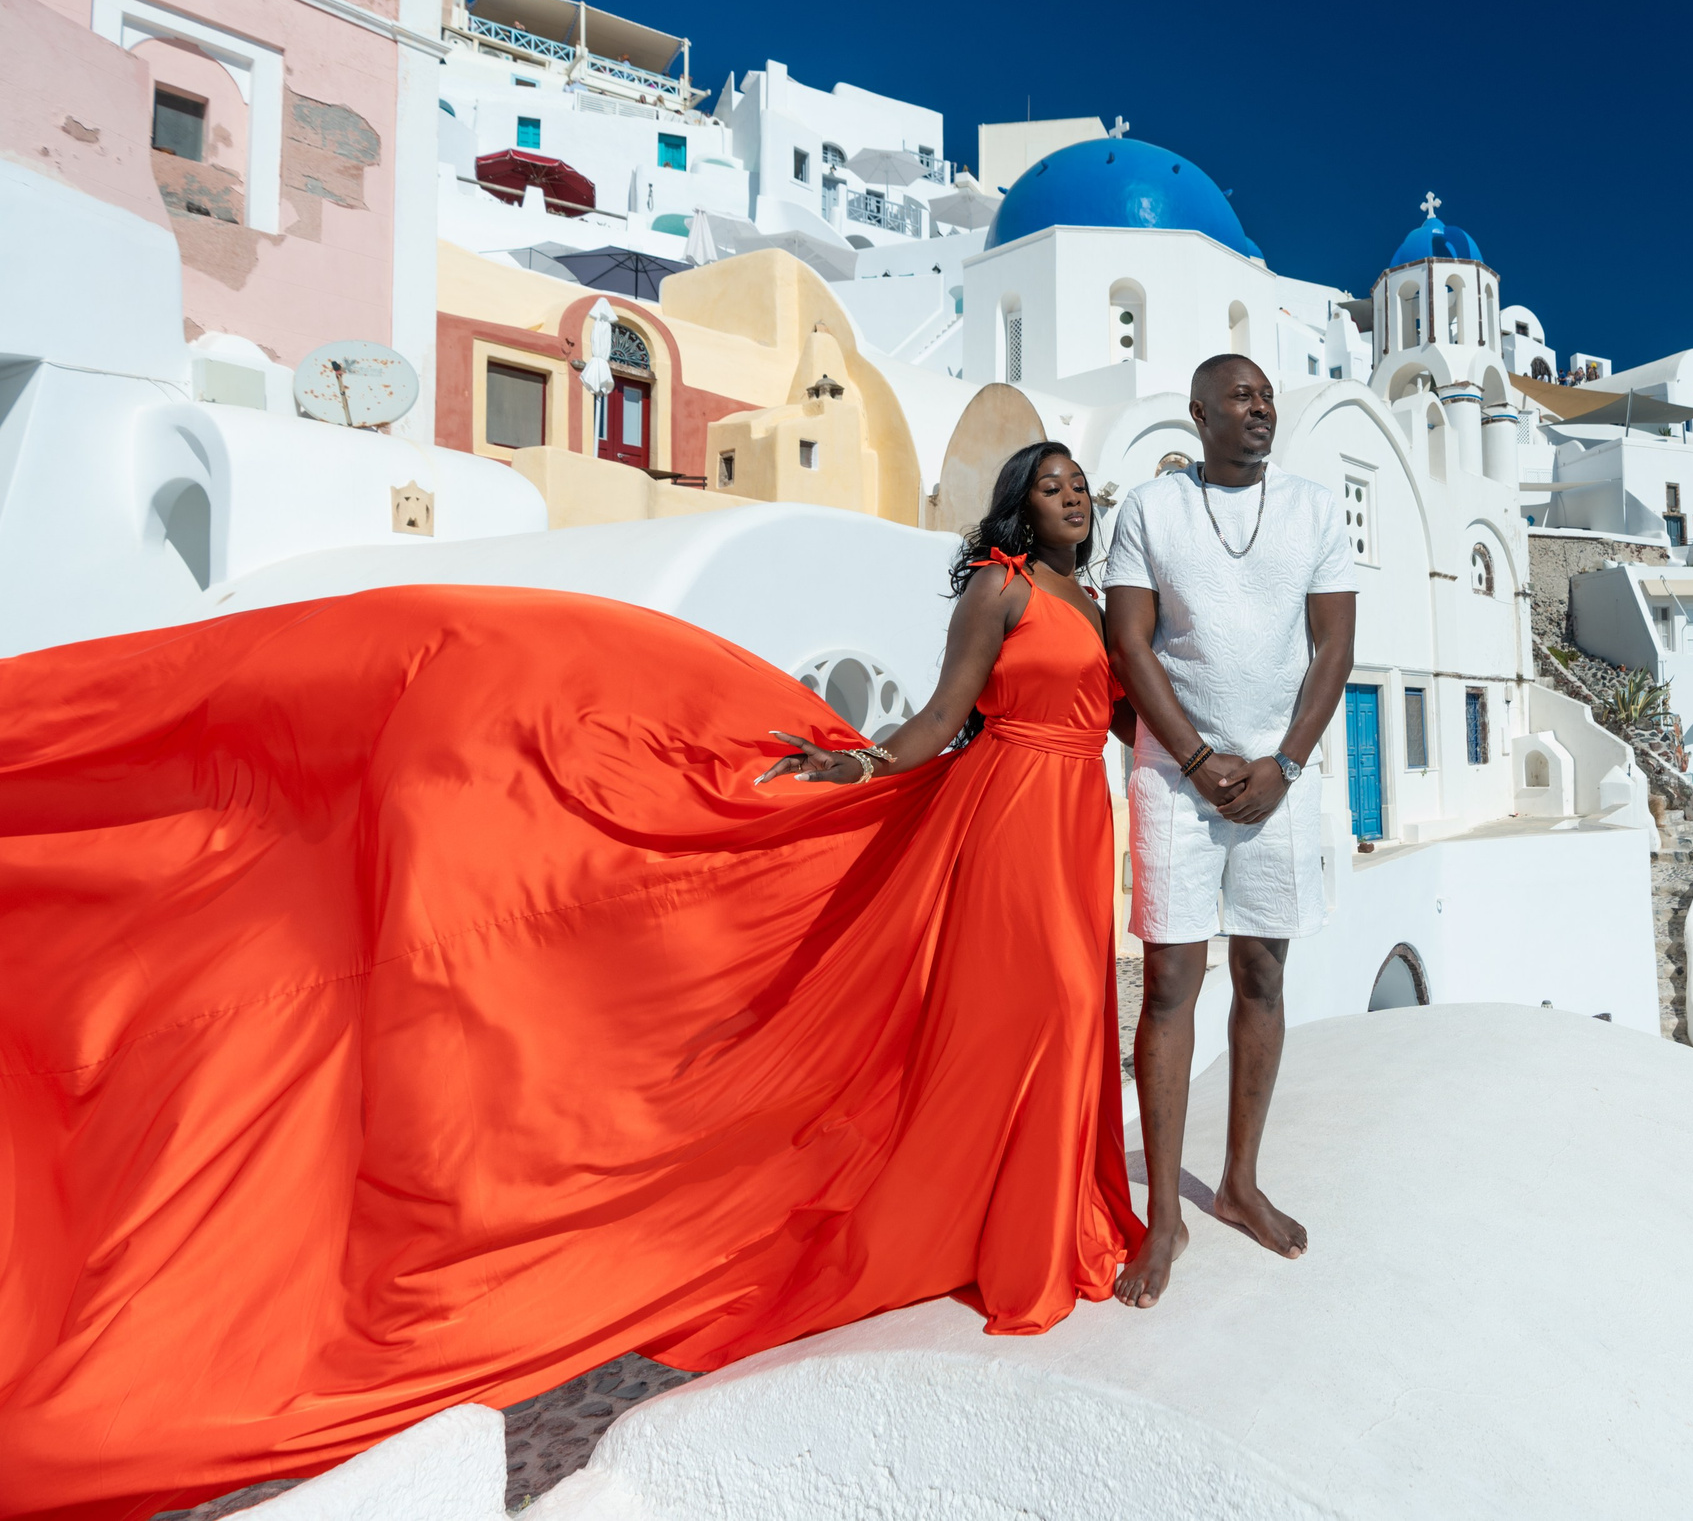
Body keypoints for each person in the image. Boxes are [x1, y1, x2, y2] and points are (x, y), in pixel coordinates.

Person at [0, 443, 1141, 1519]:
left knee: (1071, 1014)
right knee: (1026, 1016)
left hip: (1076, 818)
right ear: (1014, 507)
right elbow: (939, 722)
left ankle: (1042, 1226)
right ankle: (1016, 1246)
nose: (1073, 496)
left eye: (1081, 483)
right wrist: (849, 762)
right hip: (1002, 819)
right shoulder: (994, 592)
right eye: (1051, 485)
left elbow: (1134, 711)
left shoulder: (1096, 602)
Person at [1102, 355, 1358, 1310]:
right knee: (1171, 977)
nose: (1261, 409)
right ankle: (1165, 1213)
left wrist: (1283, 763)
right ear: (1202, 414)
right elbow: (1131, 643)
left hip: (1277, 782)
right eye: (1241, 398)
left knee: (1263, 970)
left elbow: (1334, 645)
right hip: (1174, 778)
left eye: (1267, 397)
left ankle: (1239, 1181)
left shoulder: (1315, 509)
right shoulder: (1153, 509)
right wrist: (1199, 755)